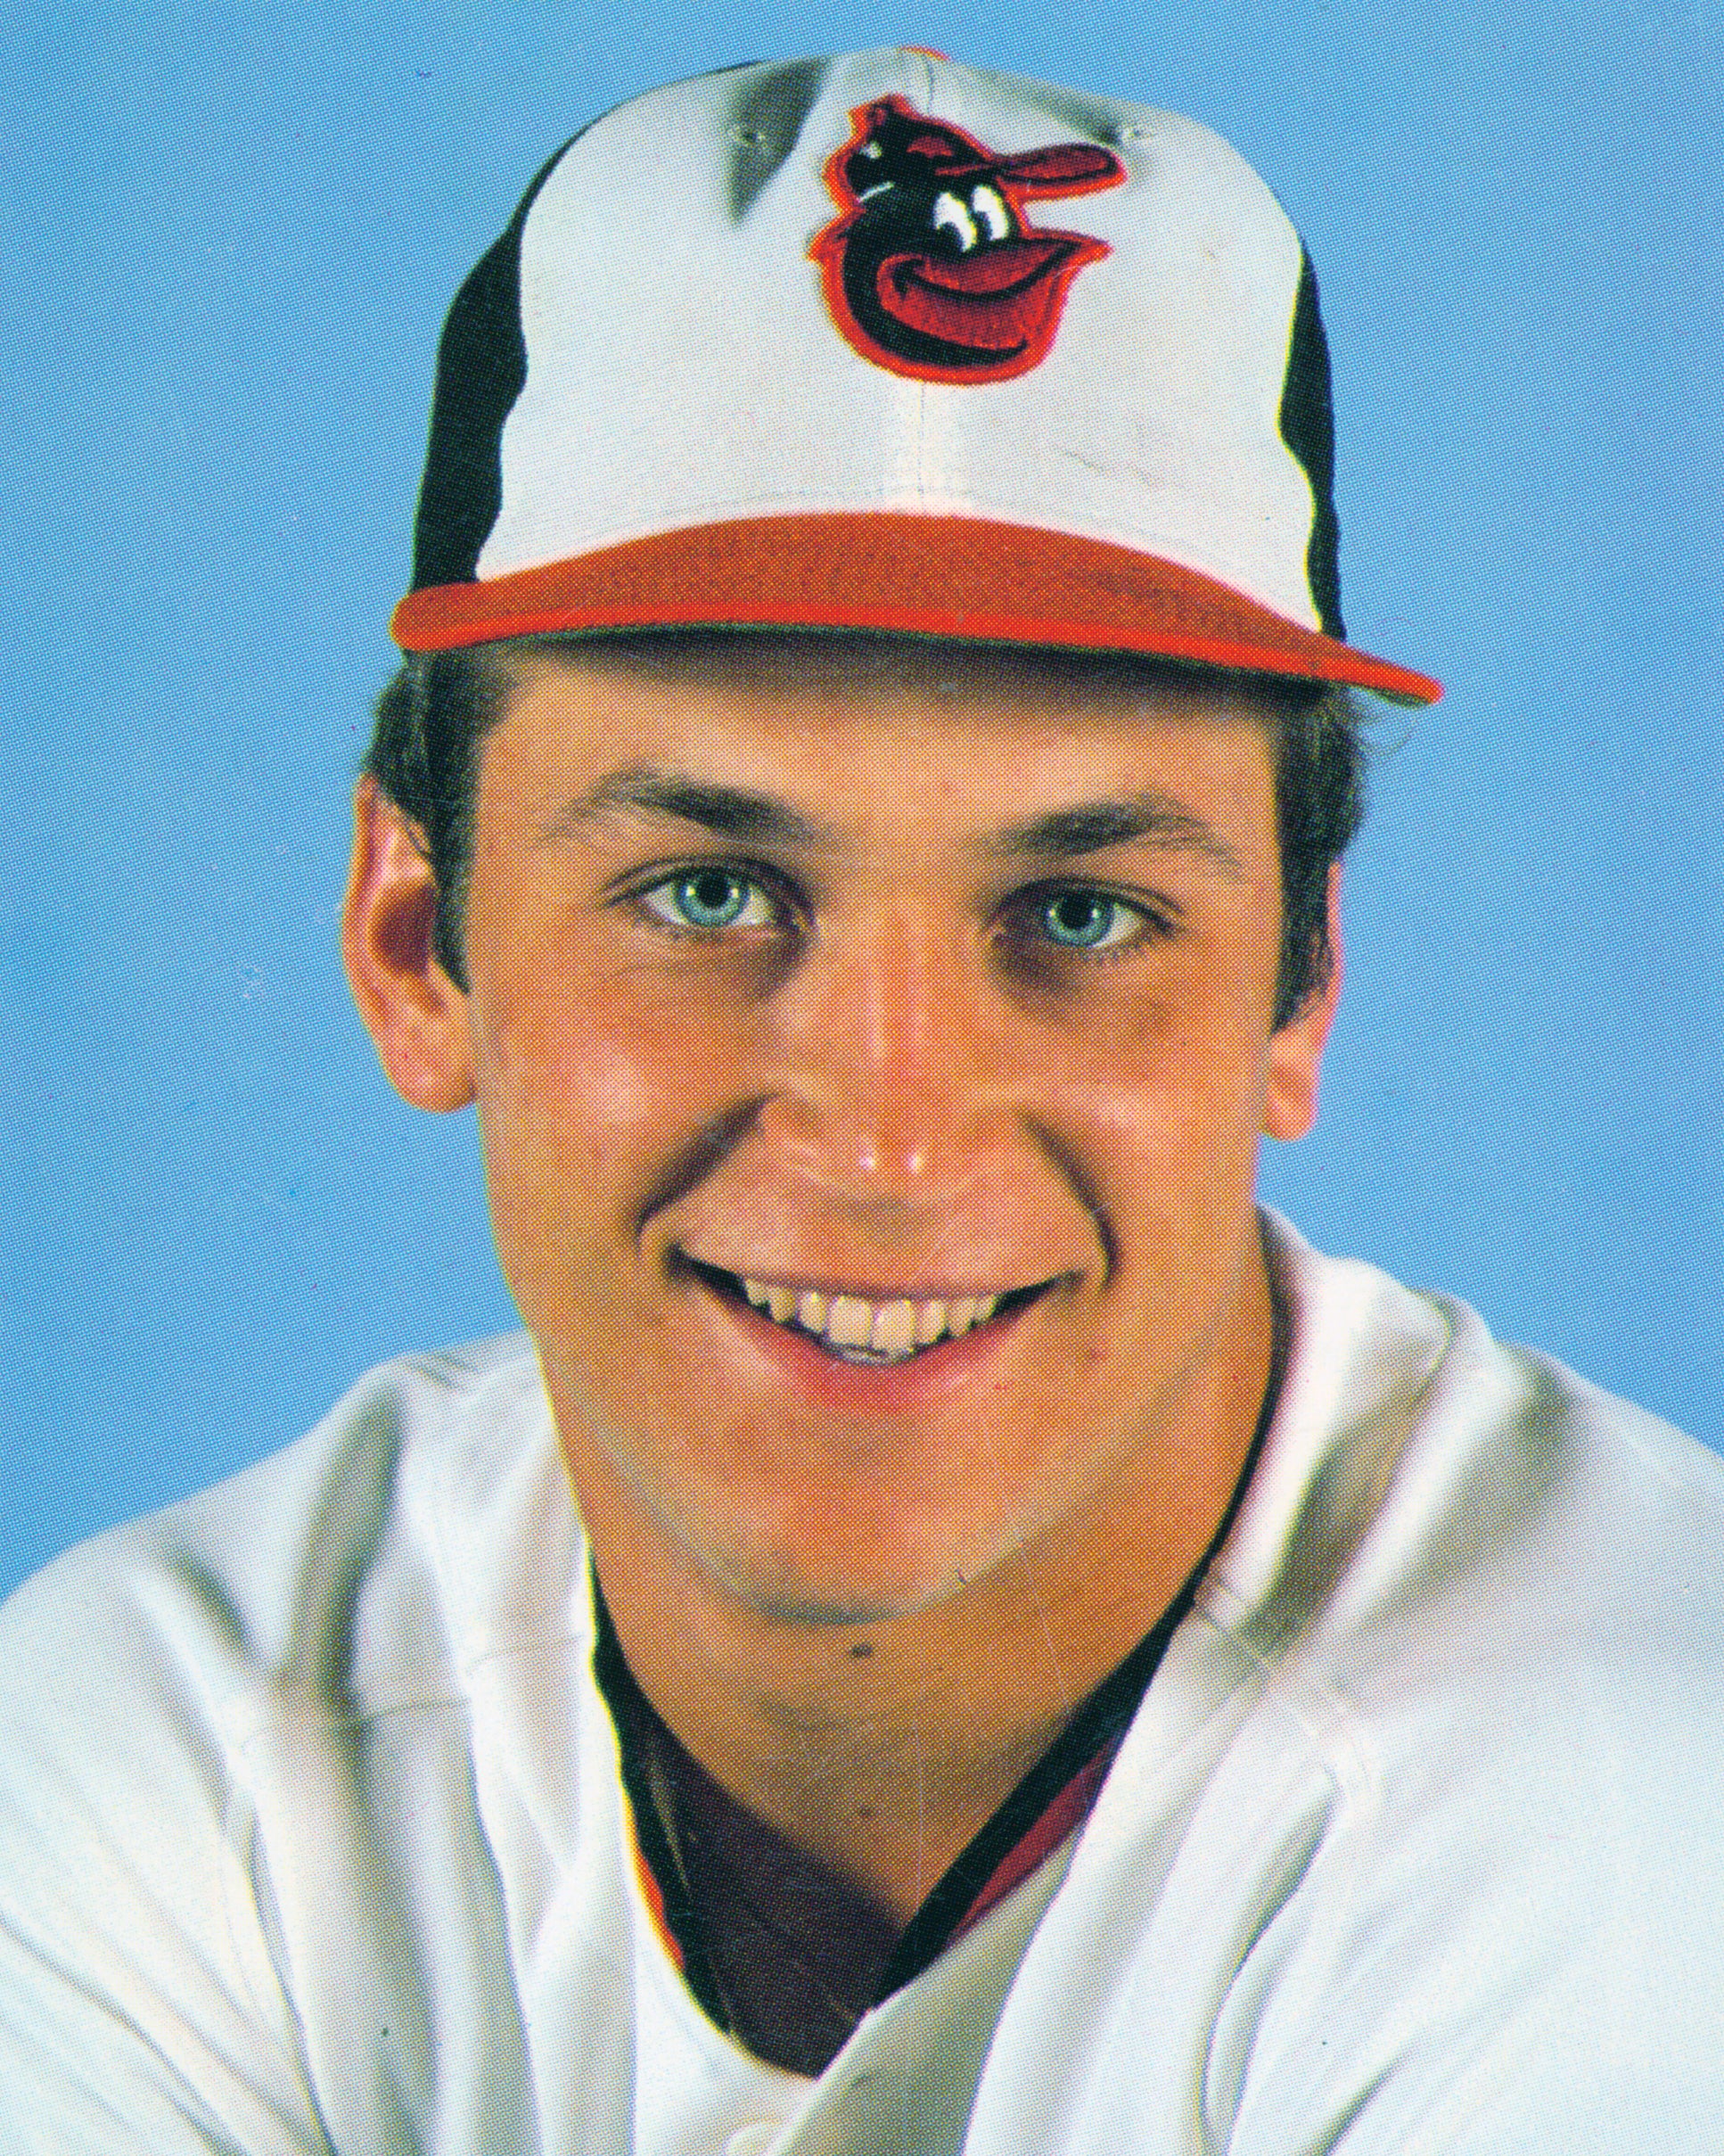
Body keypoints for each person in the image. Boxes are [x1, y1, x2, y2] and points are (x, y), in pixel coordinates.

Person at [3, 46, 1721, 2155]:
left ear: (1300, 989)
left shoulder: (1635, 1812)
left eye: (1079, 914)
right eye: (708, 891)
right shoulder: (162, 1749)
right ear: (416, 944)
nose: (893, 1139)